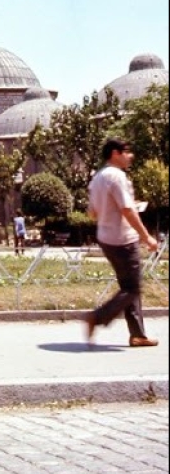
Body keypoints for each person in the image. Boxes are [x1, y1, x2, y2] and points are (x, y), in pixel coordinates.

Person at [85, 138, 159, 347]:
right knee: (132, 289)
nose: (131, 155)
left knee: (128, 287)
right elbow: (127, 210)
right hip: (123, 240)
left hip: (106, 238)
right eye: (127, 152)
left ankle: (138, 335)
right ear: (115, 154)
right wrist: (147, 237)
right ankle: (96, 317)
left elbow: (92, 213)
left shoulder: (97, 177)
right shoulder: (117, 177)